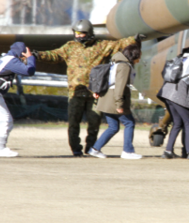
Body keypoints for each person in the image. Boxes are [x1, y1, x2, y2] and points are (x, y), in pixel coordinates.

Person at [33, 19, 137, 157]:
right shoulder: (69, 46)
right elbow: (54, 55)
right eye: (76, 33)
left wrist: (136, 37)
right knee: (73, 124)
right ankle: (76, 149)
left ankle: (91, 149)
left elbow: (120, 44)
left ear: (89, 33)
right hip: (76, 92)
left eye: (82, 33)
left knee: (94, 124)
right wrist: (36, 55)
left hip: (95, 93)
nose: (79, 36)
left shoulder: (102, 46)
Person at [88, 39, 142, 159]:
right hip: (114, 99)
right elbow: (120, 86)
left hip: (106, 98)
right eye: (139, 56)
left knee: (113, 127)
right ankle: (127, 151)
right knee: (129, 123)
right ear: (134, 55)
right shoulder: (124, 66)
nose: (139, 59)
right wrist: (119, 105)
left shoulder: (116, 63)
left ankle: (95, 149)